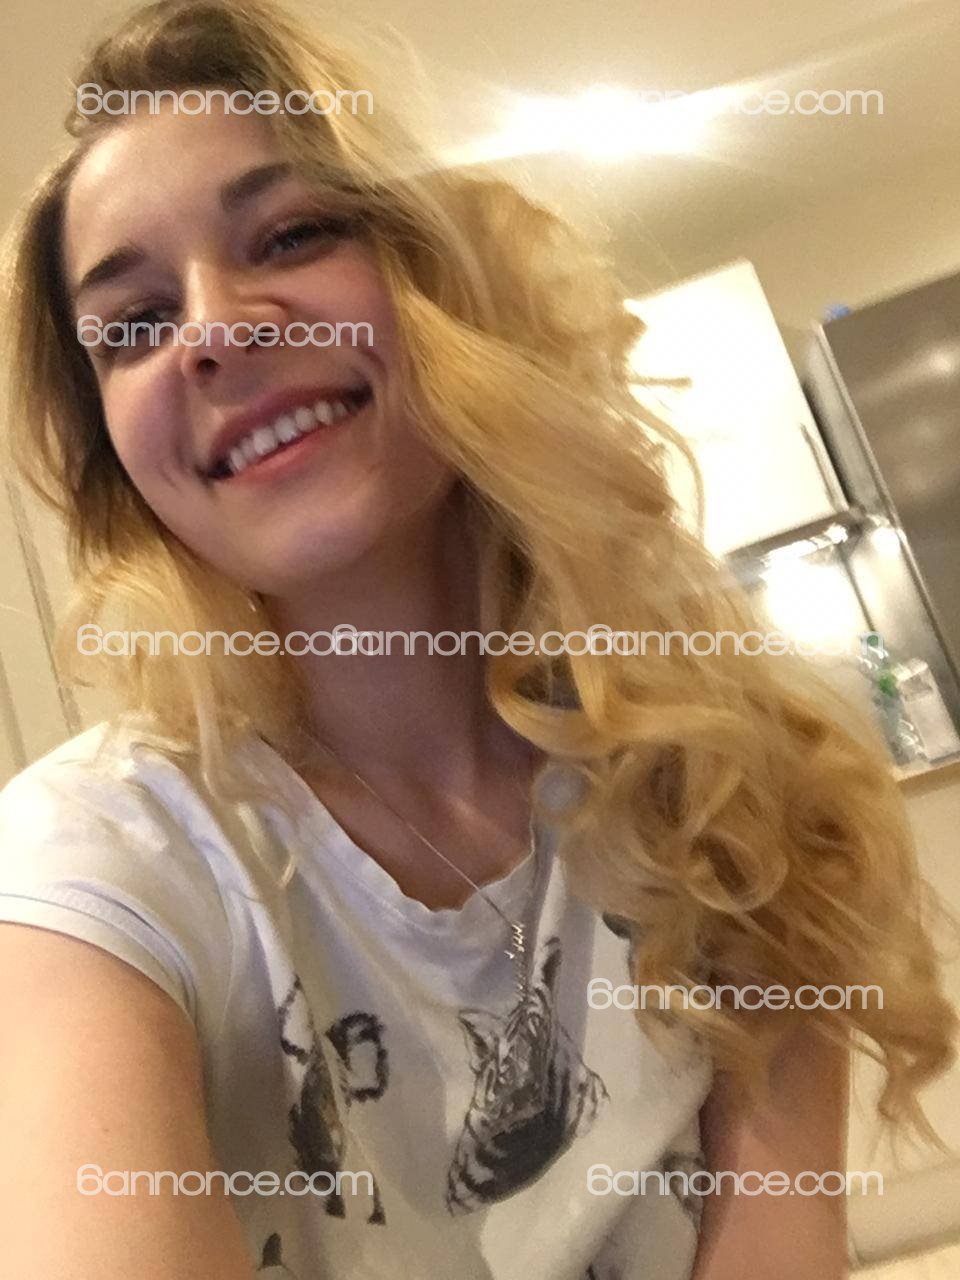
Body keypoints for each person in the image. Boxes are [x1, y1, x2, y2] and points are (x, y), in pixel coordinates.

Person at [0, 2, 955, 1277]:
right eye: (132, 323)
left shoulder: (732, 787)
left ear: (445, 283)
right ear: (120, 461)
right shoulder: (96, 868)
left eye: (292, 233)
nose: (213, 330)